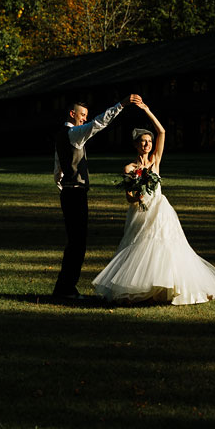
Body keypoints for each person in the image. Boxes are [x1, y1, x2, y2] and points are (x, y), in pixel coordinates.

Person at [92, 100, 215, 305]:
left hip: (160, 209)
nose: (147, 144)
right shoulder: (129, 168)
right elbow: (128, 196)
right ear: (136, 144)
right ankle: (141, 288)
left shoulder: (155, 160)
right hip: (140, 211)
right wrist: (136, 197)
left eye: (149, 141)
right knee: (138, 246)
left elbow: (163, 132)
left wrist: (147, 110)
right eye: (143, 141)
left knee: (166, 244)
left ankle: (171, 286)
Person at [53, 95, 141, 299]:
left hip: (68, 192)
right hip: (74, 192)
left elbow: (57, 168)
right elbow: (98, 123)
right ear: (72, 114)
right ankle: (65, 290)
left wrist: (62, 186)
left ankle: (64, 288)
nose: (84, 118)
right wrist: (121, 105)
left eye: (85, 115)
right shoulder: (74, 133)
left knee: (74, 242)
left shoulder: (60, 135)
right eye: (82, 114)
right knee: (78, 243)